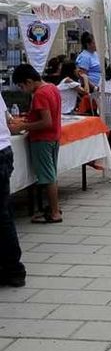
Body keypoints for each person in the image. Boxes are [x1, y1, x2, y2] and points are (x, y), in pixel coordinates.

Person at [8, 65, 62, 224]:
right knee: (51, 173)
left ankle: (54, 212)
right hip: (54, 138)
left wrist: (22, 126)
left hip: (42, 140)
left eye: (21, 86)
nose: (22, 89)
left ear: (29, 81)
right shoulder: (52, 88)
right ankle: (54, 208)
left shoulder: (40, 95)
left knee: (48, 176)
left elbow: (46, 122)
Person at [0, 94, 24, 287]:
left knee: (2, 216)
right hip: (4, 151)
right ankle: (12, 268)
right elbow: (8, 117)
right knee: (4, 213)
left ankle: (13, 268)